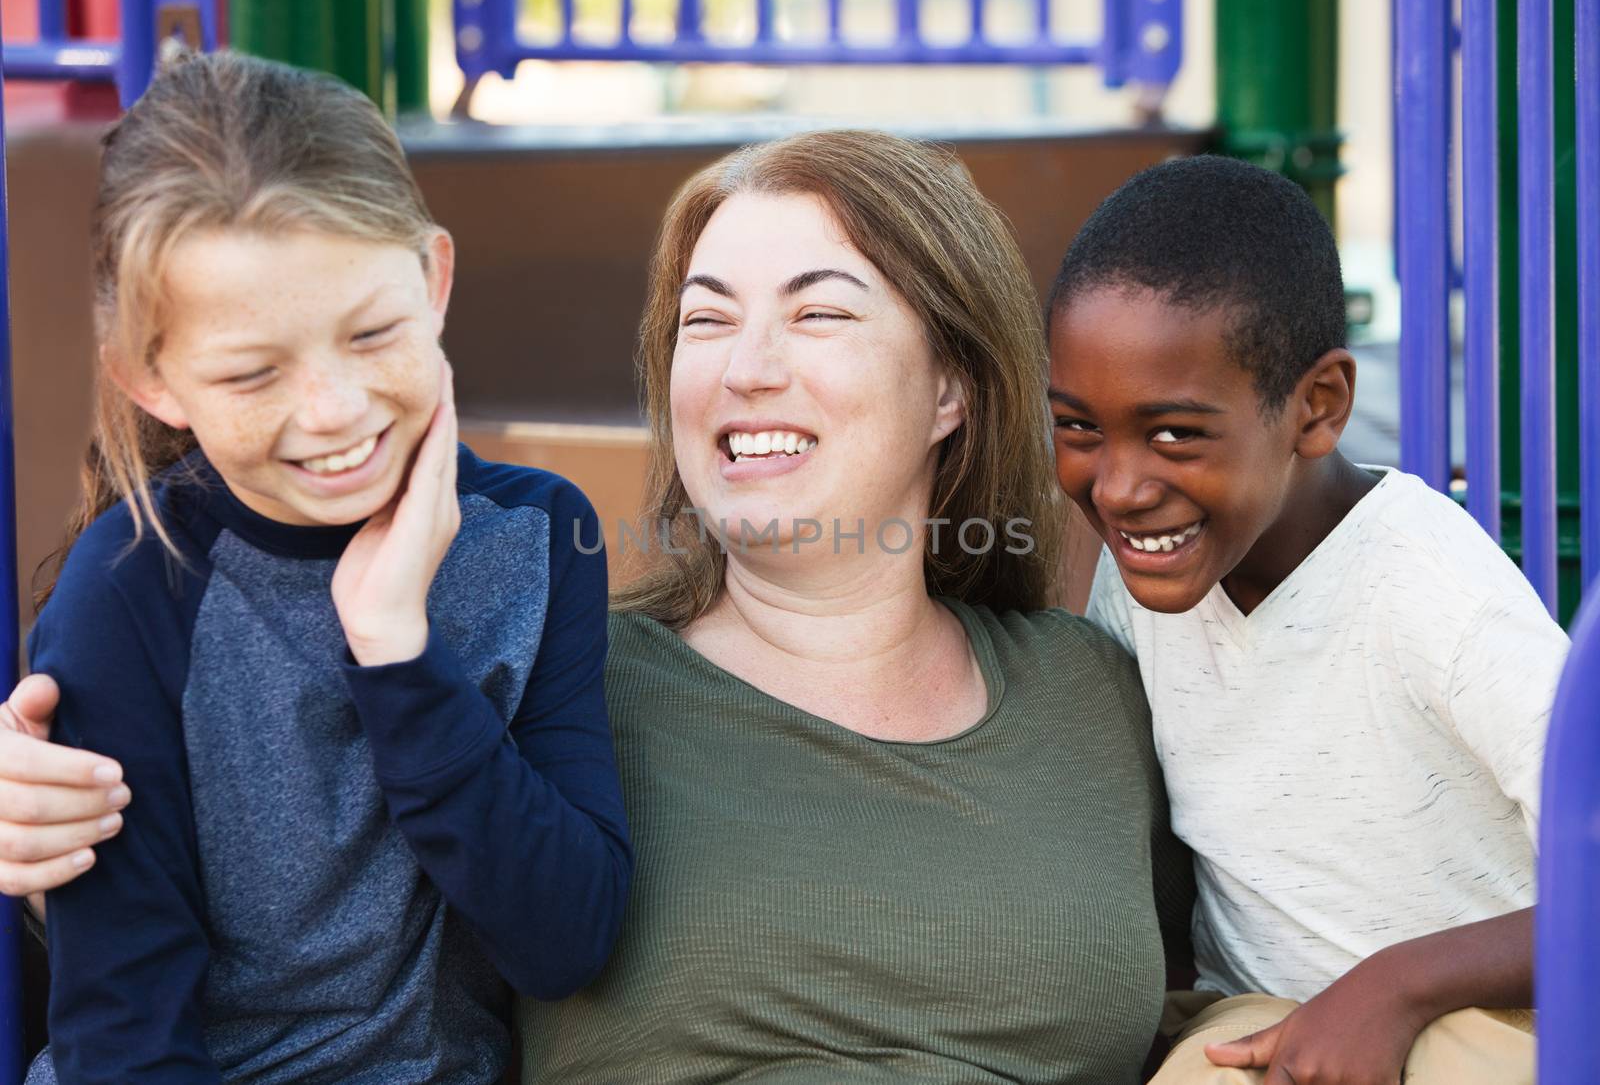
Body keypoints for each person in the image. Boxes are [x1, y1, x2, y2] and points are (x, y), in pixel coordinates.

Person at [0, 129, 1193, 1083]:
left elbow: (1216, 971)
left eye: (818, 311)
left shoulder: (1091, 687)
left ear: (951, 385)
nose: (745, 366)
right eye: (705, 318)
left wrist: (1227, 1042)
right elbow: (223, 912)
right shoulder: (563, 677)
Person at [16, 52, 631, 1083]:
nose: (335, 411)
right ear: (151, 378)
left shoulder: (537, 535)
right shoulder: (129, 593)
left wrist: (398, 654)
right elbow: (125, 1039)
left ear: (433, 280)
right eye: (254, 373)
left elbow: (568, 940)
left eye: (373, 332)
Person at [1045, 155, 1566, 1085]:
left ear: (1316, 407)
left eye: (1174, 433)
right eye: (1080, 427)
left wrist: (1397, 986)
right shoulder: (1145, 570)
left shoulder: (1434, 592)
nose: (1119, 488)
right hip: (1260, 1021)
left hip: (1489, 1014)